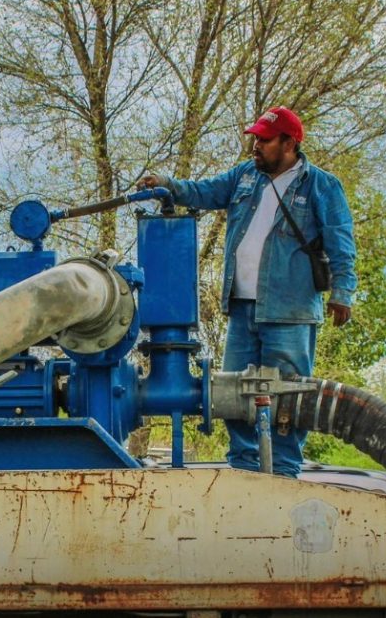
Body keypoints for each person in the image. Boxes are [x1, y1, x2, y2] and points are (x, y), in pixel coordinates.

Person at [138, 107, 356, 477]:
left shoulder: (321, 185)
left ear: (289, 143)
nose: (256, 146)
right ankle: (242, 464)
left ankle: (284, 469)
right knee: (232, 389)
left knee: (287, 392)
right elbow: (203, 192)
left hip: (289, 311)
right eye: (255, 138)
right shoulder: (245, 176)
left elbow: (341, 242)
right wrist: (168, 184)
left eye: (264, 140)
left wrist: (343, 292)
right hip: (242, 307)